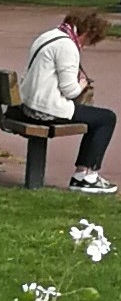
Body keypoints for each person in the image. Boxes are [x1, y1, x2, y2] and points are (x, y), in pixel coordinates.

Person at [19, 10, 117, 194]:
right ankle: (86, 176)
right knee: (106, 118)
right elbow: (70, 91)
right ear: (87, 33)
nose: (86, 46)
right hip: (44, 110)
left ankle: (84, 174)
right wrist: (82, 84)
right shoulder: (68, 47)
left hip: (29, 104)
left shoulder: (50, 35)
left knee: (95, 116)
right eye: (89, 41)